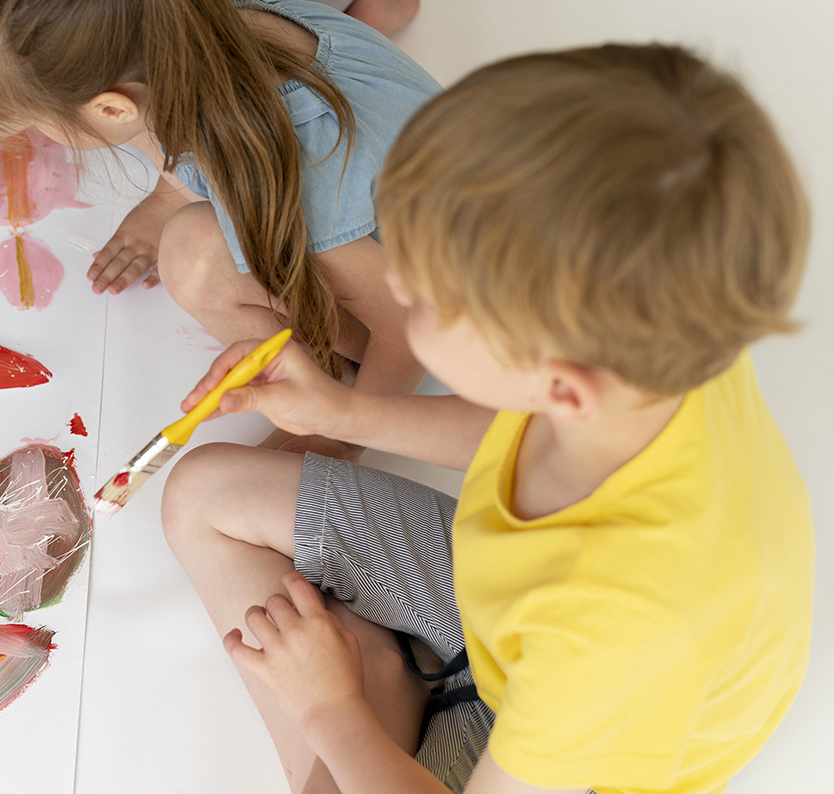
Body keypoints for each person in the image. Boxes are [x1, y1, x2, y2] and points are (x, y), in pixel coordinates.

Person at [161, 43, 813, 794]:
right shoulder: (661, 328)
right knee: (202, 493)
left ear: (561, 387)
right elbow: (517, 435)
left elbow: (582, 641)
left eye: (431, 295)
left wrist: (331, 711)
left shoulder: (613, 630)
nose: (395, 280)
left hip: (559, 723)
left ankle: (380, 686)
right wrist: (342, 410)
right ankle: (391, 672)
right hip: (507, 619)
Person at [0, 0, 442, 459]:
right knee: (184, 231)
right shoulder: (168, 37)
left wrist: (346, 435)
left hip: (444, 297)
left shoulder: (305, 172)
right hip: (371, 211)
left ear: (113, 108)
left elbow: (410, 331)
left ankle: (331, 382)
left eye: (40, 122)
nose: (28, 132)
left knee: (192, 256)